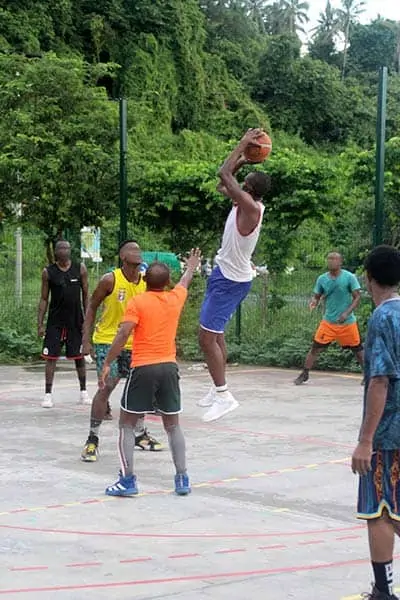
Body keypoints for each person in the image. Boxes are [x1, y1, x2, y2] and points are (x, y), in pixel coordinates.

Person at [101, 248, 201, 497]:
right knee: (173, 425)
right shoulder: (175, 298)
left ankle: (128, 480)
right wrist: (190, 266)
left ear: (144, 280)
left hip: (143, 367)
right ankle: (181, 478)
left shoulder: (137, 302)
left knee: (126, 423)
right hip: (169, 367)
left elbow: (123, 334)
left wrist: (107, 363)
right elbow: (185, 281)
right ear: (167, 283)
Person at [198, 128, 271, 422]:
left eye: (246, 180)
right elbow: (222, 183)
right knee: (216, 335)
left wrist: (243, 146)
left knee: (205, 339)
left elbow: (222, 173)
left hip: (231, 280)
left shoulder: (251, 208)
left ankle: (224, 395)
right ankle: (217, 389)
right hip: (224, 275)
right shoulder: (243, 202)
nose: (241, 179)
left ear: (250, 188)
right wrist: (243, 161)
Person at [80, 240, 162, 462]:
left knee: (141, 389)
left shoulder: (146, 282)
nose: (137, 251)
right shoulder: (110, 280)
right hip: (108, 341)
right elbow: (92, 306)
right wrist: (86, 339)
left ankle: (140, 434)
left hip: (137, 343)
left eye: (139, 249)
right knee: (106, 387)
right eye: (131, 248)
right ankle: (92, 440)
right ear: (123, 256)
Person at [352, 245, 400, 600]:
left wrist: (365, 440)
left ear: (369, 279)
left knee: (381, 509)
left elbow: (380, 380)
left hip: (388, 432)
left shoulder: (383, 319)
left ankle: (383, 591)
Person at [294, 252, 364, 385]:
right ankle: (305, 373)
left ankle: (367, 374)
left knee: (357, 349)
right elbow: (317, 295)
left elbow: (357, 297)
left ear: (341, 262)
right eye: (329, 258)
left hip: (347, 322)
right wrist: (314, 301)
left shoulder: (349, 277)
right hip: (329, 322)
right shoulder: (322, 279)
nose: (331, 261)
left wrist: (346, 313)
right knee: (315, 347)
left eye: (334, 259)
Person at [38, 240, 91, 408]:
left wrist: (88, 320)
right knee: (51, 358)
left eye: (66, 247)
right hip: (55, 321)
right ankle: (47, 395)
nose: (63, 250)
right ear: (55, 251)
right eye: (60, 248)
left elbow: (86, 295)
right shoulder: (48, 272)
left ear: (70, 250)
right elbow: (44, 298)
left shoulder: (80, 268)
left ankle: (83, 392)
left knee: (79, 357)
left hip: (75, 320)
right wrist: (40, 323)